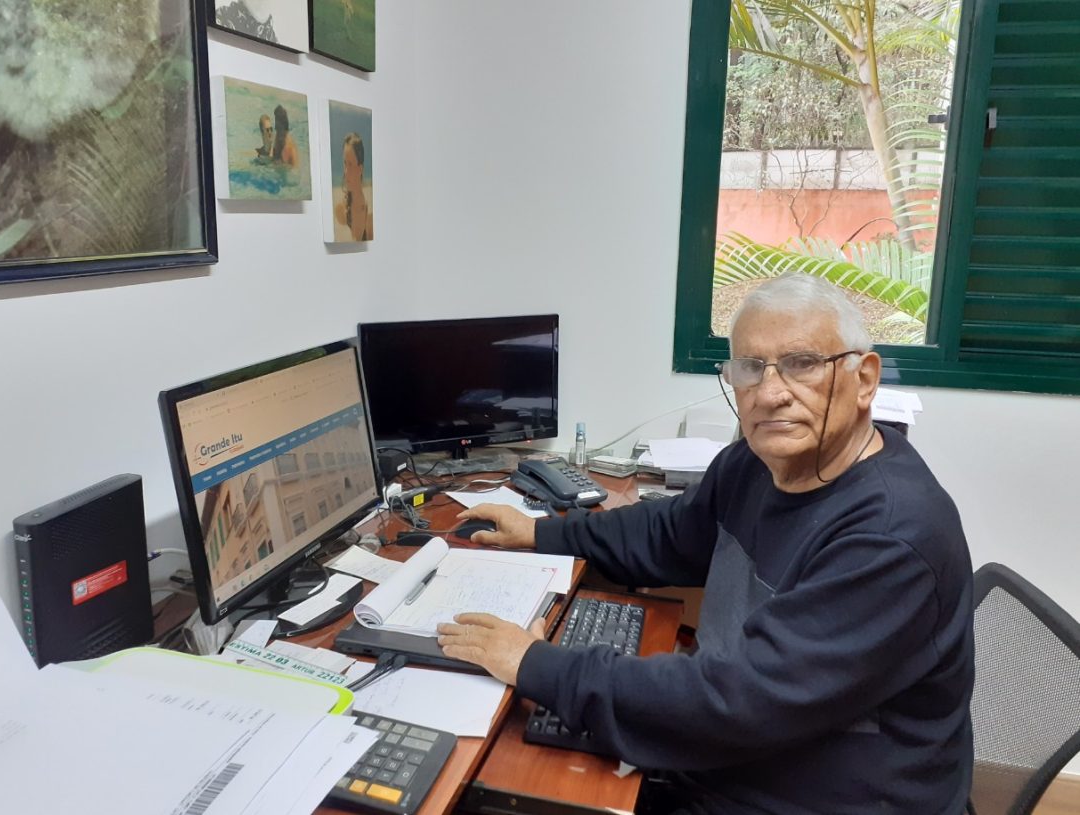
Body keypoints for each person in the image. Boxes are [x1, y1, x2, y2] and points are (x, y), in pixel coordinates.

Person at [437, 273, 974, 814]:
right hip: (748, 756)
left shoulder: (891, 537)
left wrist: (538, 665)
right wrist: (541, 531)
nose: (770, 393)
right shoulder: (756, 463)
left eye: (803, 363)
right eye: (750, 367)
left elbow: (737, 701)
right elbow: (669, 532)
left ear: (865, 379)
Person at [334, 132, 373, 241]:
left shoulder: (370, 212)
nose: (346, 172)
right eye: (345, 163)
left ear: (360, 169)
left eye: (350, 164)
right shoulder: (340, 210)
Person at [272, 105, 299, 169]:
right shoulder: (278, 135)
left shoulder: (291, 149)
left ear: (286, 131)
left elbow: (294, 171)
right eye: (277, 130)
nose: (279, 137)